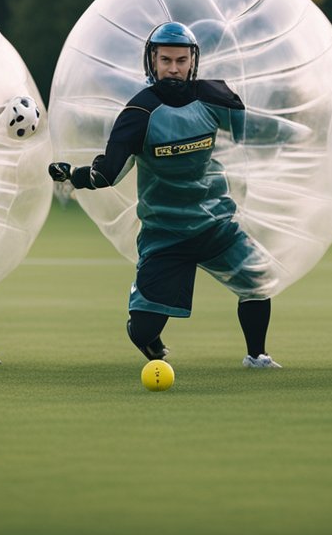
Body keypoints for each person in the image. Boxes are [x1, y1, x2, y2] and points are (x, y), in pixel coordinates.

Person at [48, 21, 283, 369]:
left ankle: (257, 355)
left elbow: (255, 134)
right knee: (142, 332)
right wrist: (74, 176)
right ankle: (146, 331)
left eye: (181, 60)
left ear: (193, 62)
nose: (174, 68)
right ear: (152, 62)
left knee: (257, 281)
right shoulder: (139, 113)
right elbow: (110, 172)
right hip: (165, 234)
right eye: (166, 60)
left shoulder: (215, 97)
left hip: (216, 224)